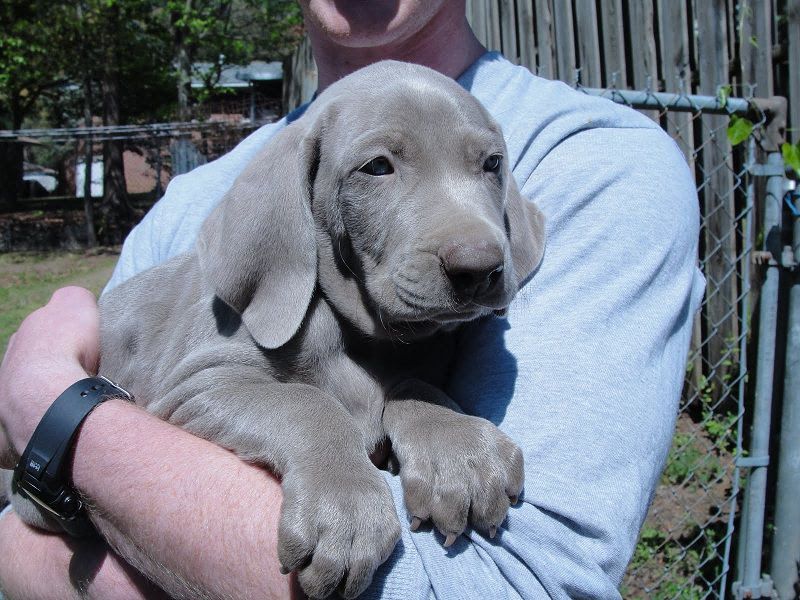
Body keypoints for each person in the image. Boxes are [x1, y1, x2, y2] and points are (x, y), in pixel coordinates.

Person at [0, 1, 705, 598]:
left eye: (486, 166)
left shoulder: (595, 165)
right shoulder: (196, 211)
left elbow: (514, 581)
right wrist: (321, 441)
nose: (476, 245)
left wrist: (55, 414)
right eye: (378, 167)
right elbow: (189, 399)